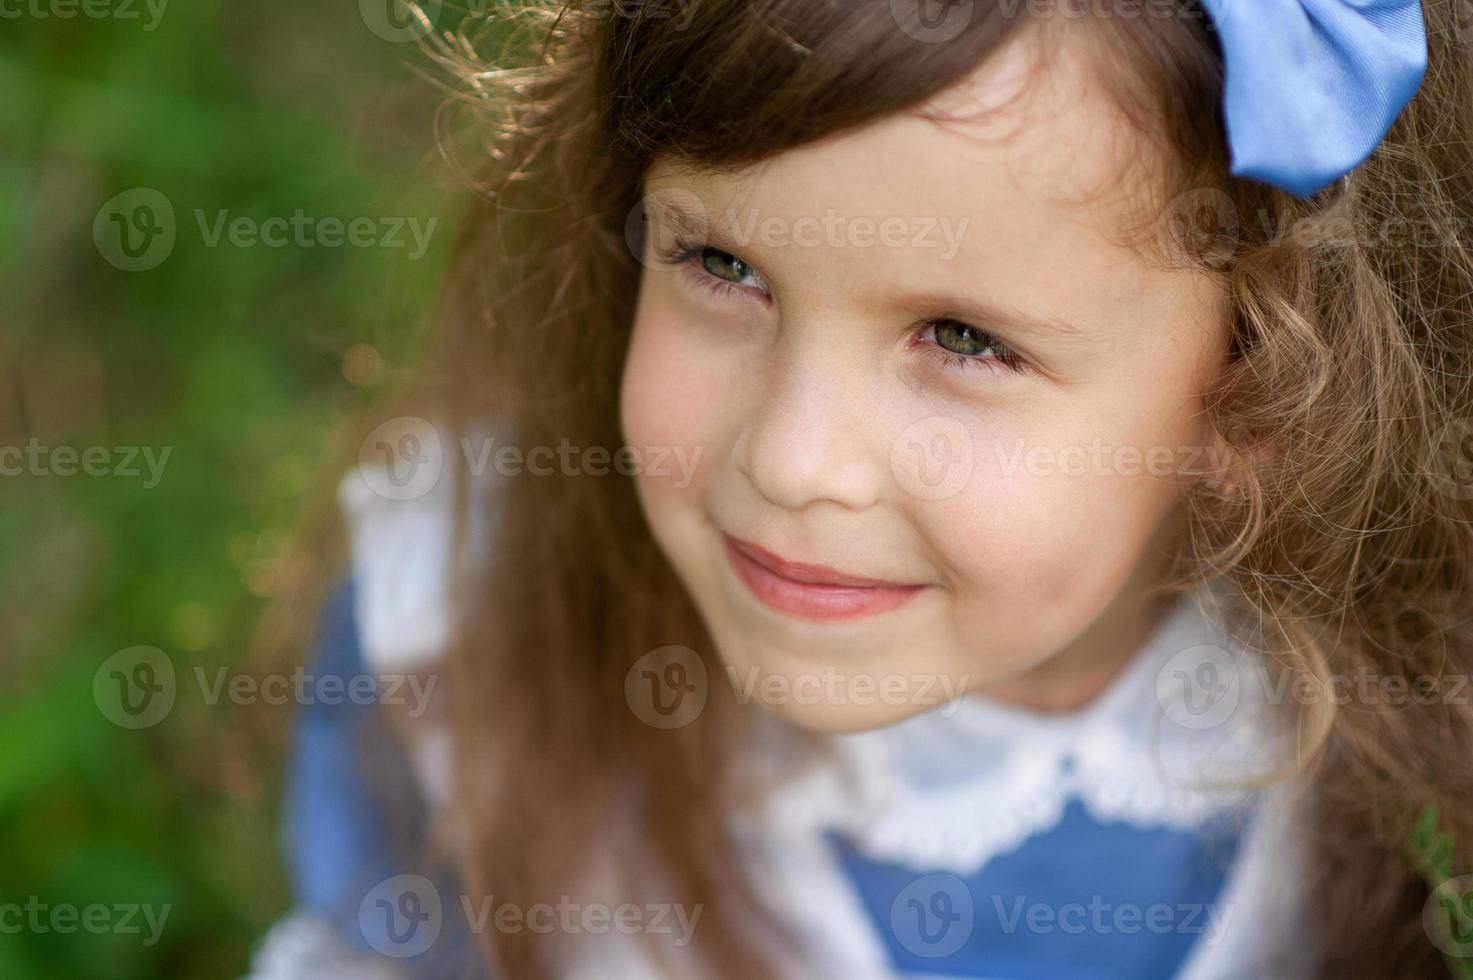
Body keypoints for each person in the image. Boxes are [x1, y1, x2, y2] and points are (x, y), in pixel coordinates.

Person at [248, 1, 1473, 977]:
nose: (790, 458)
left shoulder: (1408, 742)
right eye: (723, 264)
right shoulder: (467, 628)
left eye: (965, 339)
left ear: (1259, 393)